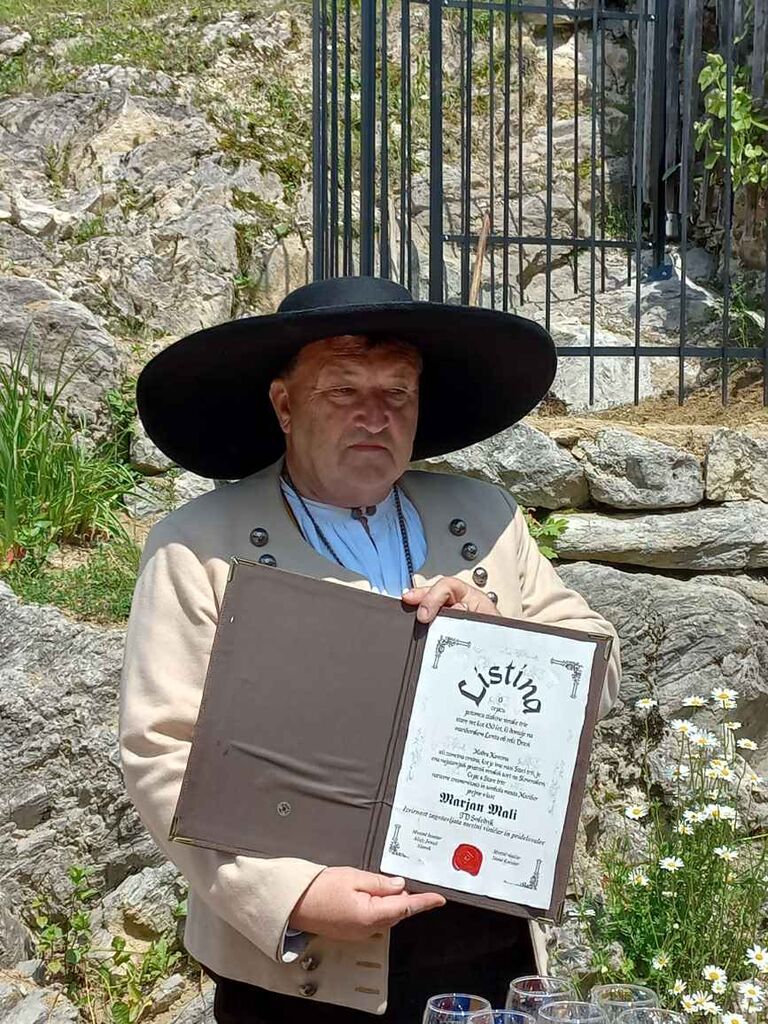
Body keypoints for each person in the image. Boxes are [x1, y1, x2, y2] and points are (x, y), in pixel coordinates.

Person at [119, 275, 620, 1023]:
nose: (375, 415)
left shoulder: (482, 518)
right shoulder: (199, 546)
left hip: (485, 938)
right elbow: (161, 749)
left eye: (397, 393)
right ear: (284, 405)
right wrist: (292, 894)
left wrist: (501, 637)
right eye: (343, 390)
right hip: (304, 972)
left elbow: (597, 667)